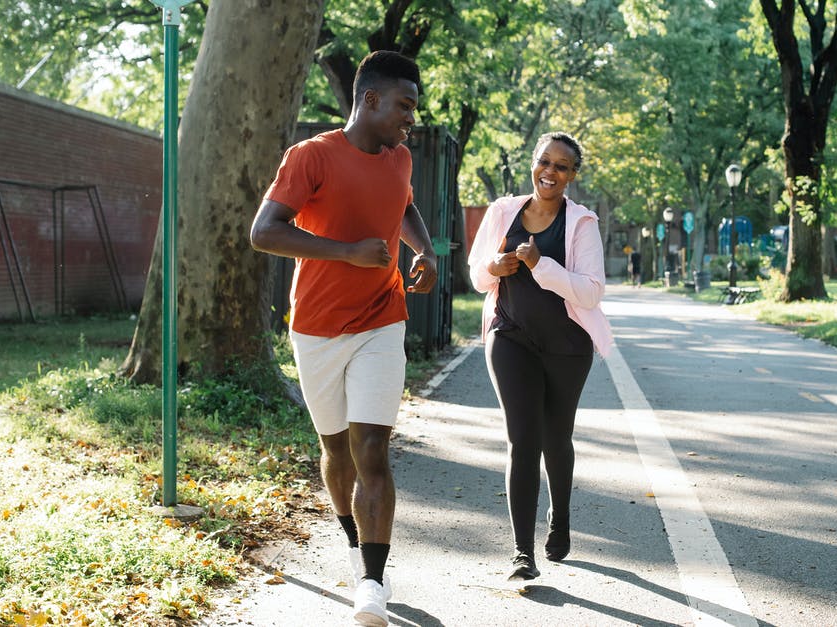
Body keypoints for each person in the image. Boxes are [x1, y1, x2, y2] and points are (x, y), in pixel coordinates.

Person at [249, 50, 436, 627]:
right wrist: (346, 253)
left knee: (372, 449)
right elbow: (264, 233)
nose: (411, 118)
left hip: (383, 319)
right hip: (316, 327)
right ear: (370, 99)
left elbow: (404, 204)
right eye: (404, 105)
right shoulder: (311, 157)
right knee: (336, 452)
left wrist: (423, 250)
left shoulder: (400, 157)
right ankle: (355, 543)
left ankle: (373, 583)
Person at [467, 131, 614, 582]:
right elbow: (476, 276)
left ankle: (561, 517)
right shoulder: (501, 212)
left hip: (568, 346)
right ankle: (521, 553)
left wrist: (540, 266)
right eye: (544, 162)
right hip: (510, 337)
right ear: (533, 163)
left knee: (556, 438)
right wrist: (494, 267)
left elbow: (590, 292)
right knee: (523, 440)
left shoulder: (581, 222)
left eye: (561, 166)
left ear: (572, 175)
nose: (550, 172)